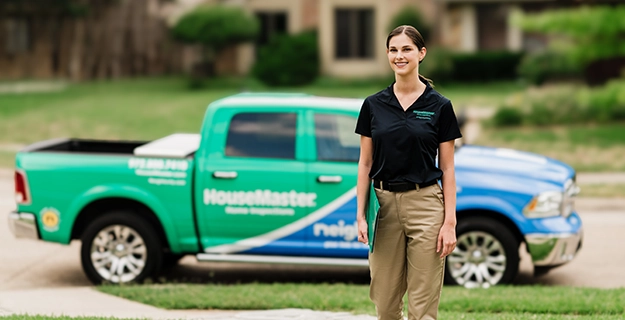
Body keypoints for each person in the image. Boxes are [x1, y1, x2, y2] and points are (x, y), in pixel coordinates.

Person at [355, 25, 462, 320]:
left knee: (422, 305)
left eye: (406, 49)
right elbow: (365, 163)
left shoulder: (439, 106)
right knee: (386, 305)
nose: (399, 56)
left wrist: (449, 222)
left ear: (421, 53)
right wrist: (361, 214)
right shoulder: (373, 105)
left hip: (426, 204)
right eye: (393, 49)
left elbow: (448, 167)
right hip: (384, 205)